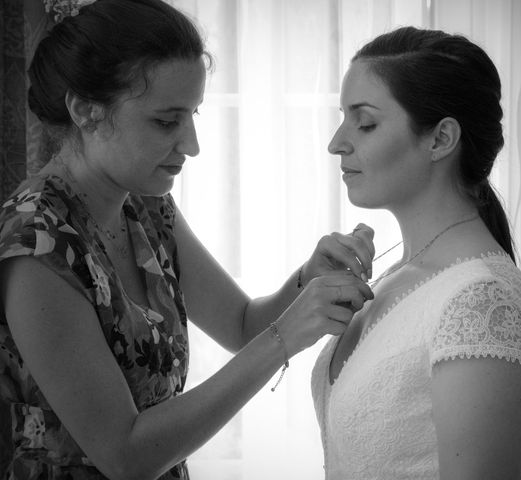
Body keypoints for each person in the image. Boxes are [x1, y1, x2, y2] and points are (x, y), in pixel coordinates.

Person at [0, 1, 375, 478]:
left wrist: (307, 279)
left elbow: (241, 324)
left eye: (192, 114)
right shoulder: (35, 245)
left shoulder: (147, 207)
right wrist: (286, 338)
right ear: (85, 111)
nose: (192, 144)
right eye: (165, 121)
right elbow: (127, 456)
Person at [311, 26, 521, 479]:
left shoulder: (484, 300)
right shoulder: (400, 275)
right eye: (344, 118)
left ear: (440, 140)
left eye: (365, 122)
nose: (337, 142)